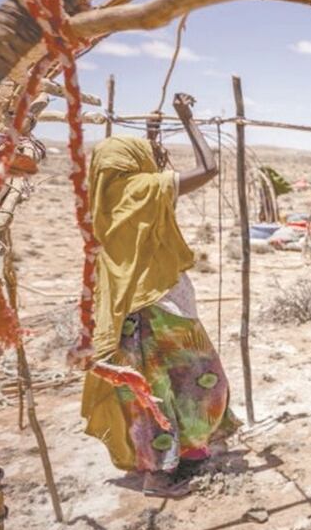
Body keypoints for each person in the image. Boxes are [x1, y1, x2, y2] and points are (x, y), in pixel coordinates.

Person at [81, 93, 240, 498]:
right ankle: (164, 472)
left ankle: (172, 462)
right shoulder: (144, 189)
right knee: (201, 382)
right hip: (162, 306)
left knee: (148, 393)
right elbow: (209, 167)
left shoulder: (103, 196)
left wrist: (151, 135)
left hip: (124, 312)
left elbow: (148, 173)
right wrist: (188, 119)